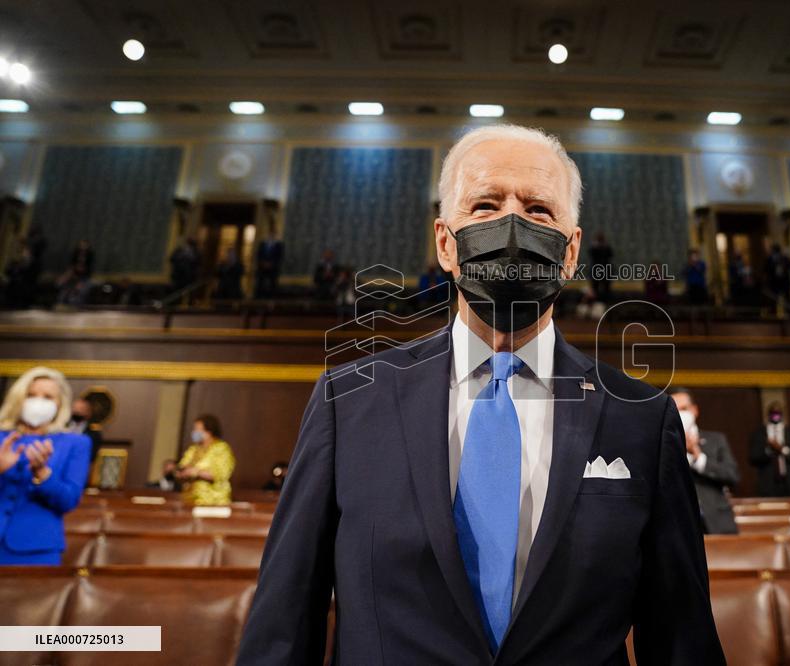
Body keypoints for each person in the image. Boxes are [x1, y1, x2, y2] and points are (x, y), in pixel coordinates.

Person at [237, 124, 724, 664]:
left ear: (570, 251)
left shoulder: (642, 417)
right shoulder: (348, 400)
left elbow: (682, 639)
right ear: (446, 243)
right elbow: (284, 622)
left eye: (539, 210)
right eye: (486, 206)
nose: (512, 225)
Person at [0, 366, 91, 564]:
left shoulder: (76, 443)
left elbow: (68, 500)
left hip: (36, 550)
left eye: (48, 397)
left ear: (60, 404)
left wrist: (42, 474)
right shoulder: (2, 437)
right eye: (31, 395)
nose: (38, 402)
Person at [670, 388, 740, 534]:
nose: (680, 414)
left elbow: (732, 475)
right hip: (679, 526)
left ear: (694, 410)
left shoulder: (716, 440)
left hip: (717, 522)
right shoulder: (662, 445)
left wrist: (698, 457)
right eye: (674, 410)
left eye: (684, 408)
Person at [176, 414, 235, 506]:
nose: (194, 432)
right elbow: (183, 466)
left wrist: (195, 472)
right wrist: (181, 472)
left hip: (213, 501)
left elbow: (219, 475)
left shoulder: (221, 449)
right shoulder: (194, 449)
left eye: (197, 429)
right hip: (190, 499)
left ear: (209, 431)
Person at [749, 401, 790, 497]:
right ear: (768, 414)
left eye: (778, 413)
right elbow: (753, 458)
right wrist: (769, 450)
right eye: (773, 413)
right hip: (767, 485)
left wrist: (781, 449)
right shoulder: (759, 434)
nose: (775, 416)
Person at [67, 397, 102, 464]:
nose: (77, 411)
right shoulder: (62, 428)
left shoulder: (94, 434)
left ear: (88, 413)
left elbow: (92, 457)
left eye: (81, 409)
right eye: (75, 408)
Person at [254, 232, 284, 299]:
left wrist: (271, 264)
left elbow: (279, 257)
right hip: (262, 268)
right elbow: (258, 255)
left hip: (273, 269)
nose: (270, 236)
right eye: (269, 235)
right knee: (260, 284)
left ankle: (271, 298)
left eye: (272, 235)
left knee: (272, 285)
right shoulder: (262, 244)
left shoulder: (278, 245)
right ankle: (259, 298)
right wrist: (263, 263)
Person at [587, 230, 614, 303]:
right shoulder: (595, 247)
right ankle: (599, 302)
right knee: (596, 288)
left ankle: (604, 302)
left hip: (602, 270)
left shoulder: (605, 247)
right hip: (599, 269)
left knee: (605, 289)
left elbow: (610, 255)